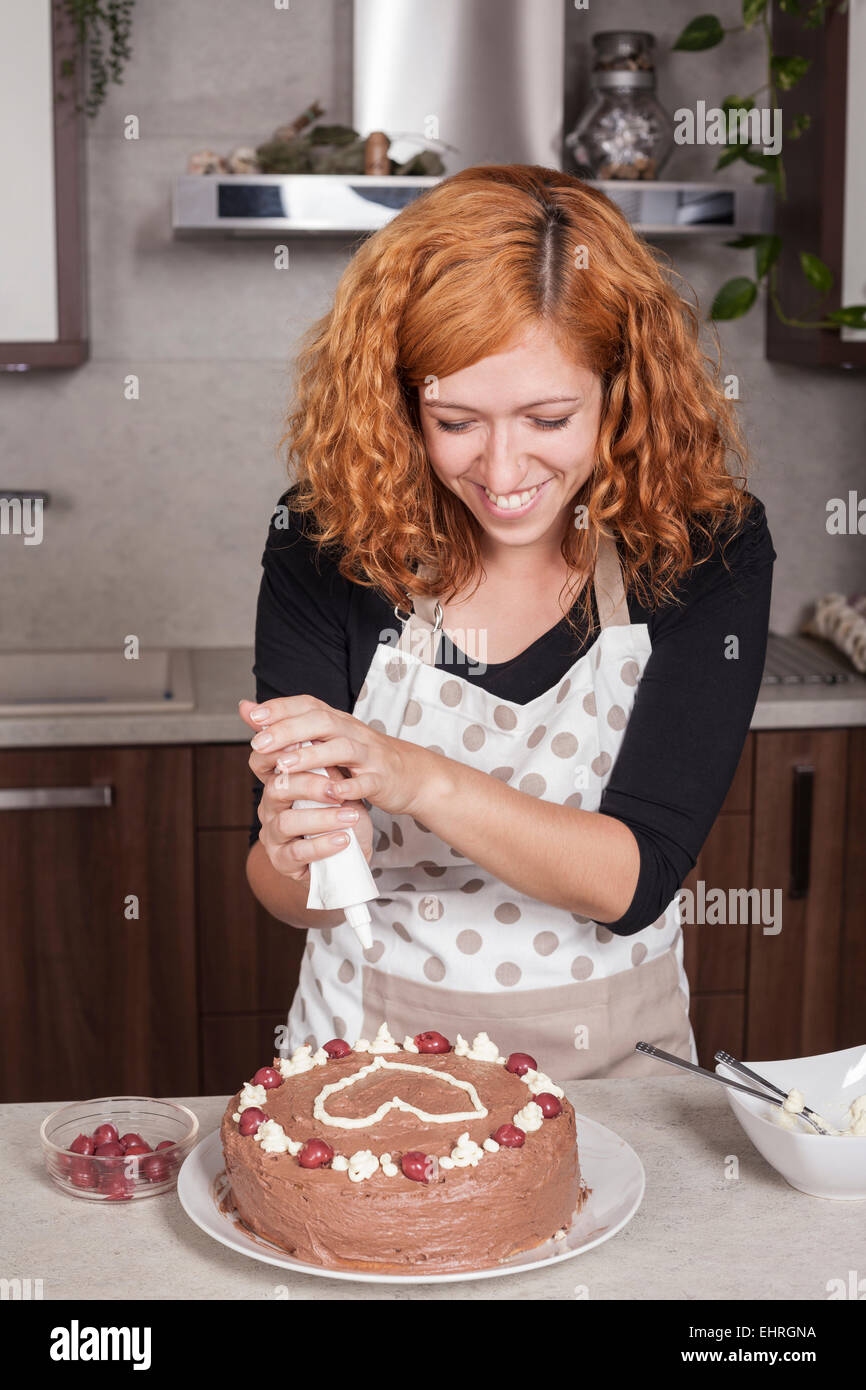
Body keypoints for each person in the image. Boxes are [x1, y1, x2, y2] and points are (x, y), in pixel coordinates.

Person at [239, 164, 775, 1079]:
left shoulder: (703, 546)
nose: (502, 467)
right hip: (369, 1061)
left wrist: (413, 777)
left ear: (623, 390)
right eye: (455, 420)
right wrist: (311, 855)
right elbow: (287, 895)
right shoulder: (326, 538)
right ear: (404, 404)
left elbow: (632, 880)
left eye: (548, 416)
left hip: (615, 1077)